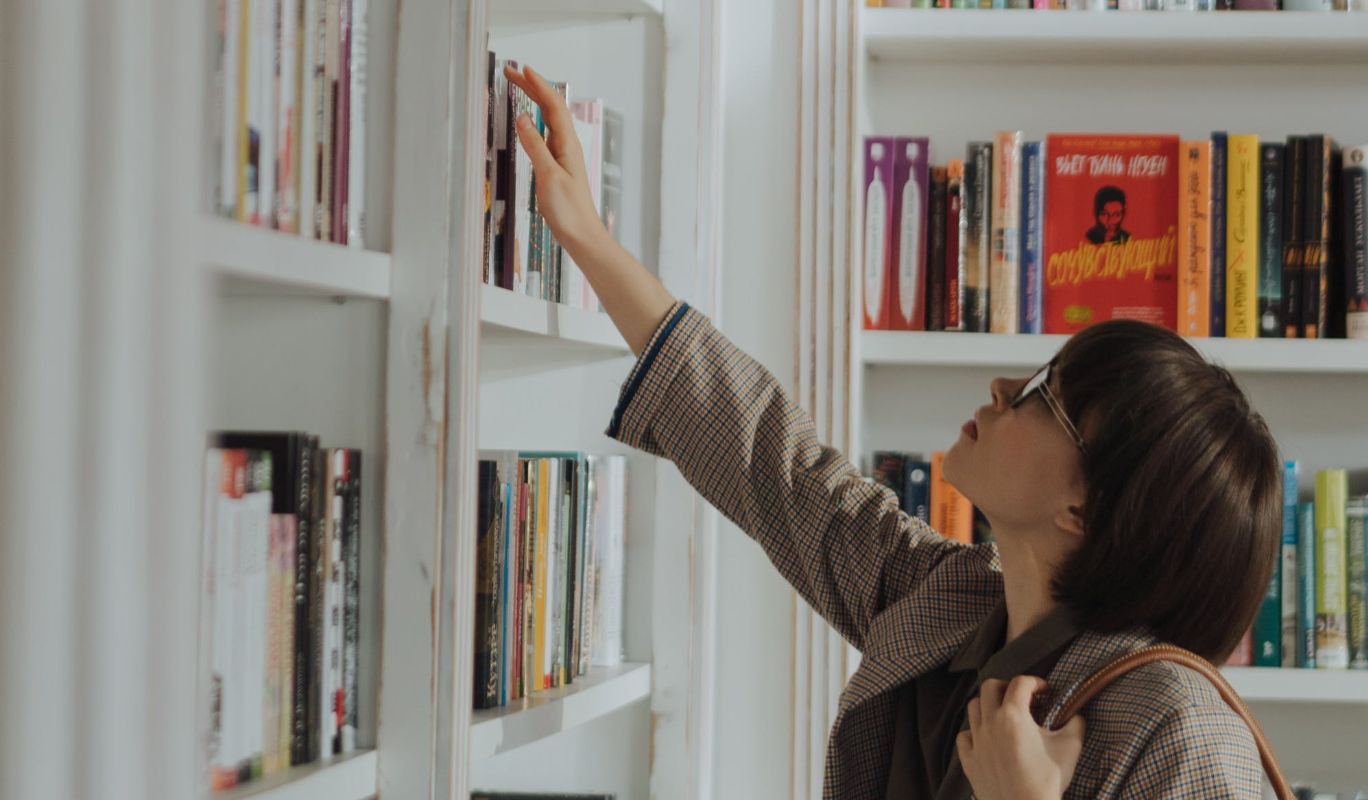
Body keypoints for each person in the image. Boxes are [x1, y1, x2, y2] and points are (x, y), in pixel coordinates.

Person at [503, 63, 1281, 800]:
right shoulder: (954, 605)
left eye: (1046, 395)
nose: (1005, 388)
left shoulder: (1183, 732)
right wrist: (586, 236)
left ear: (1085, 507)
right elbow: (779, 466)